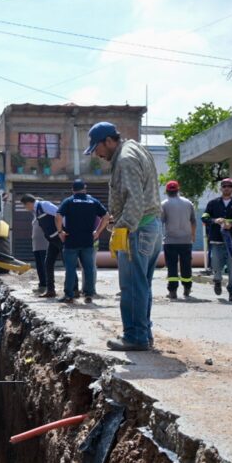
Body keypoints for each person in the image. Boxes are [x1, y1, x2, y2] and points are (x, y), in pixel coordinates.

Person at [85, 122, 161, 351]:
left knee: (132, 286)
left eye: (97, 148)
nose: (97, 154)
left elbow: (134, 200)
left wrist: (123, 229)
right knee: (142, 284)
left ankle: (135, 337)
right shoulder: (136, 148)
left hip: (138, 229)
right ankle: (143, 333)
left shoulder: (125, 160)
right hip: (151, 226)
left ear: (109, 141)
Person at [56, 179, 109, 304]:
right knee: (88, 268)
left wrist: (60, 232)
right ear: (85, 189)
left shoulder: (69, 201)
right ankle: (88, 294)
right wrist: (98, 231)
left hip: (71, 240)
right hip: (88, 240)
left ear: (72, 190)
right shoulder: (93, 201)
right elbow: (106, 216)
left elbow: (58, 216)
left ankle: (69, 296)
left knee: (70, 269)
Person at [202, 178, 232, 302]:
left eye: (230, 186)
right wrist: (215, 220)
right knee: (216, 263)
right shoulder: (212, 203)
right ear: (221, 188)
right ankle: (217, 280)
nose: (227, 188)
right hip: (216, 240)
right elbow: (204, 217)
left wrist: (231, 224)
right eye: (224, 186)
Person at [160, 180, 196, 299]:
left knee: (172, 266)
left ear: (166, 191)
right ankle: (187, 288)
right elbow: (193, 221)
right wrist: (193, 235)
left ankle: (172, 291)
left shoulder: (164, 204)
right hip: (186, 240)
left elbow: (160, 222)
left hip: (170, 241)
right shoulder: (188, 203)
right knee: (186, 265)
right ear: (178, 190)